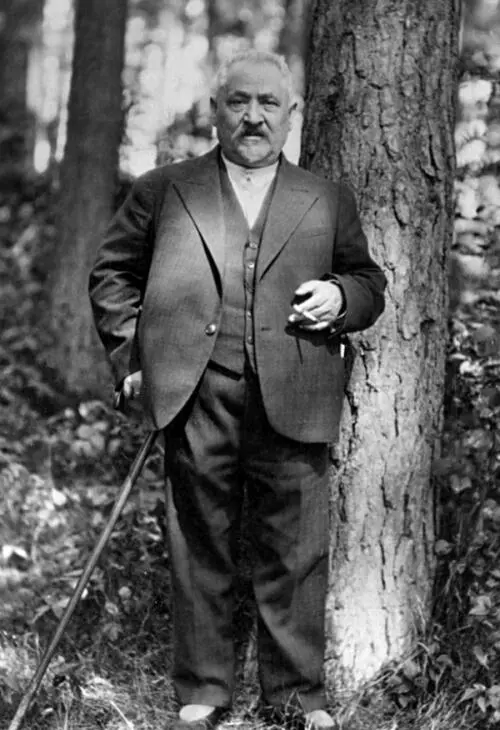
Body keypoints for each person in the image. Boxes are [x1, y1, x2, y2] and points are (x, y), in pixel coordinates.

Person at [89, 50, 386, 730]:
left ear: (292, 114)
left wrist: (341, 296)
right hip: (196, 394)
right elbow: (112, 274)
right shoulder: (165, 188)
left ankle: (297, 696)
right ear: (215, 110)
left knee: (296, 551)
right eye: (238, 102)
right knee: (200, 543)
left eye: (268, 103)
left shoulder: (326, 197)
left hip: (297, 392)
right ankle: (203, 688)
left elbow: (369, 283)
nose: (253, 117)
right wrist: (133, 358)